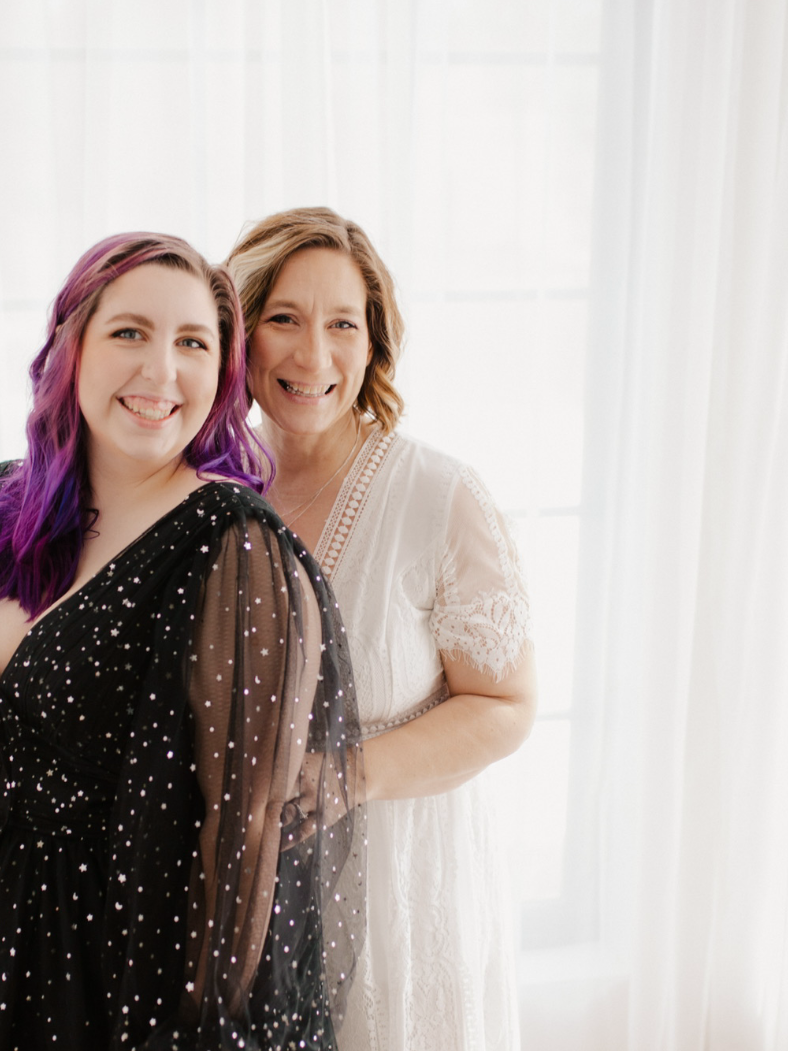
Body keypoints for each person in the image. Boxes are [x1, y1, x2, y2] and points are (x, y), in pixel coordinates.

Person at [0, 233, 364, 1051]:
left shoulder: (232, 549)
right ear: (70, 347)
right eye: (130, 332)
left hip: (121, 974)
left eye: (192, 342)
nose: (161, 372)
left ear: (221, 373)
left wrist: (187, 1023)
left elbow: (244, 830)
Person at [226, 208, 537, 1051]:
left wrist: (350, 776)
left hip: (402, 890)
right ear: (240, 330)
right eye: (283, 318)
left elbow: (504, 703)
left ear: (374, 346)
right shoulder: (205, 496)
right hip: (249, 902)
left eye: (341, 324)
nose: (312, 355)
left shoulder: (439, 497)